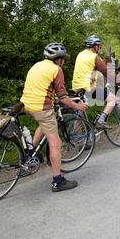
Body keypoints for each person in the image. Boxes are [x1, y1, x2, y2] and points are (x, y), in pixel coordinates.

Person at [20, 43, 88, 192]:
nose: (63, 61)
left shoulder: (37, 65)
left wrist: (54, 99)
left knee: (45, 125)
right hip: (41, 108)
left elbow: (41, 87)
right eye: (63, 59)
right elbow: (63, 97)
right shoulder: (56, 70)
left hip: (27, 105)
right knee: (55, 143)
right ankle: (58, 181)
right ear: (59, 59)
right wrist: (78, 106)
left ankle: (31, 154)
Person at [72, 35, 120, 129]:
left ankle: (79, 140)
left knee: (79, 113)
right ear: (95, 46)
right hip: (88, 87)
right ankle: (101, 121)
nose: (99, 48)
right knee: (113, 99)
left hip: (76, 86)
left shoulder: (80, 54)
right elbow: (106, 71)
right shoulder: (94, 57)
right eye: (99, 46)